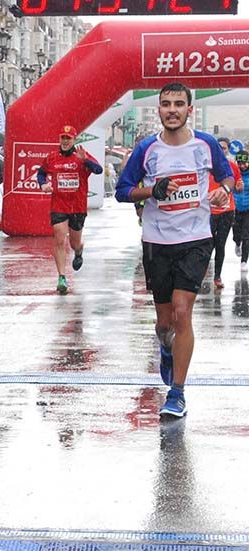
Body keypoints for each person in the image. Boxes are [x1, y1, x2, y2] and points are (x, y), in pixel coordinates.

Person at [116, 82, 234, 419]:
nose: (172, 110)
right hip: (157, 241)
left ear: (189, 110)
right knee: (164, 321)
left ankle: (177, 393)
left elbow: (227, 178)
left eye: (178, 104)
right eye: (166, 104)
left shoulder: (206, 144)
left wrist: (223, 192)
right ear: (159, 110)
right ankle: (166, 350)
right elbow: (123, 191)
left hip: (196, 238)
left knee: (183, 312)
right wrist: (152, 191)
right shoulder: (146, 149)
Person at [36, 125, 103, 295]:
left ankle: (79, 251)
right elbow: (41, 173)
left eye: (68, 138)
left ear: (74, 140)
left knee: (74, 243)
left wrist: (85, 160)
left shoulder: (81, 155)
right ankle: (61, 277)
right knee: (59, 237)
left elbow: (98, 169)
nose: (65, 141)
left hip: (77, 207)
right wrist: (43, 184)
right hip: (59, 205)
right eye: (62, 138)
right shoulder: (52, 158)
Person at [207, 138, 243, 290]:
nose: (222, 151)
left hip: (227, 212)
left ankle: (217, 276)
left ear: (228, 150)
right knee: (207, 244)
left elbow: (239, 188)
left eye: (224, 148)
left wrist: (239, 187)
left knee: (220, 244)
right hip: (207, 212)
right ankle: (198, 273)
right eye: (219, 148)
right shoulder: (206, 166)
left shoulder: (232, 167)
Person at [233, 151, 249, 271]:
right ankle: (237, 243)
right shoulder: (233, 174)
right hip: (236, 209)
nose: (242, 166)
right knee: (237, 234)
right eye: (239, 163)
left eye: (244, 163)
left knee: (246, 236)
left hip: (248, 210)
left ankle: (244, 260)